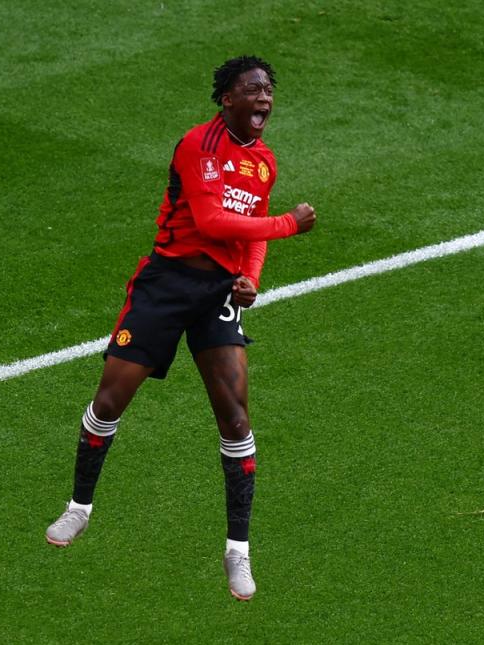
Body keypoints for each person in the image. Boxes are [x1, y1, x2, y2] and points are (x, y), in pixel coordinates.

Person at [46, 55, 316, 601]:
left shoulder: (263, 162)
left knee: (236, 419)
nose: (264, 98)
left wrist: (250, 280)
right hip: (166, 285)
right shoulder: (200, 145)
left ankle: (237, 552)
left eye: (269, 90)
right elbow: (216, 221)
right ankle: (79, 508)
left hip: (217, 293)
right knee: (111, 399)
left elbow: (249, 235)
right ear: (227, 99)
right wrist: (290, 223)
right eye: (253, 89)